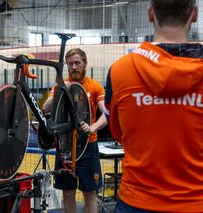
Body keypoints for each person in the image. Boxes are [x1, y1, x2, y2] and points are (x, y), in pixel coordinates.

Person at [103, 0, 203, 212]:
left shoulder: (120, 71)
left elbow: (118, 133)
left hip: (137, 201)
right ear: (194, 14)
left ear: (150, 13)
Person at [43, 48, 108, 213]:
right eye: (70, 63)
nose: (74, 67)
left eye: (77, 63)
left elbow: (107, 115)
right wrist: (61, 90)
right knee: (68, 193)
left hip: (88, 147)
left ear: (85, 63)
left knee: (90, 194)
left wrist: (92, 127)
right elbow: (45, 108)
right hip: (65, 148)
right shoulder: (61, 85)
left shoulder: (94, 86)